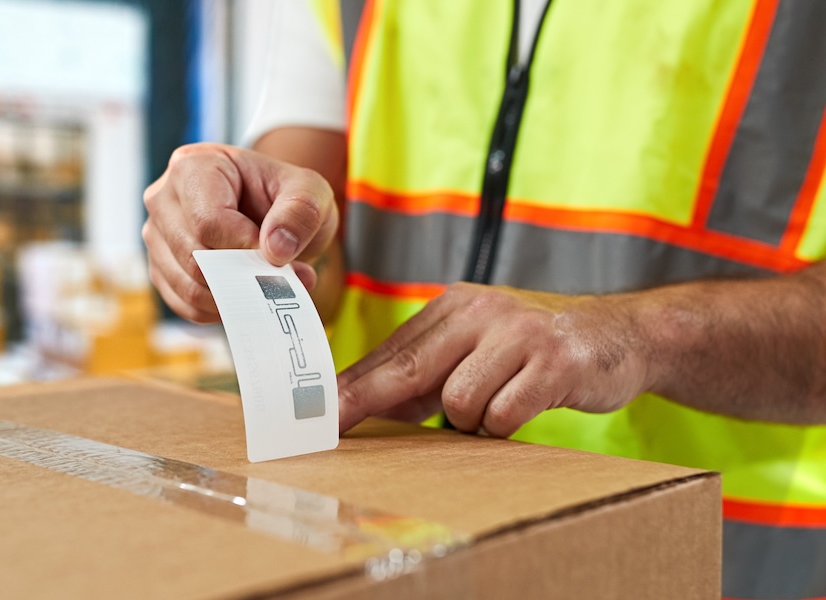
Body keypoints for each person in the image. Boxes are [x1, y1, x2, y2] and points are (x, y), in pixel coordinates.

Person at [142, 1, 826, 596]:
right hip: (383, 551)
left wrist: (638, 335)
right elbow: (307, 232)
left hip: (717, 565)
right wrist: (247, 235)